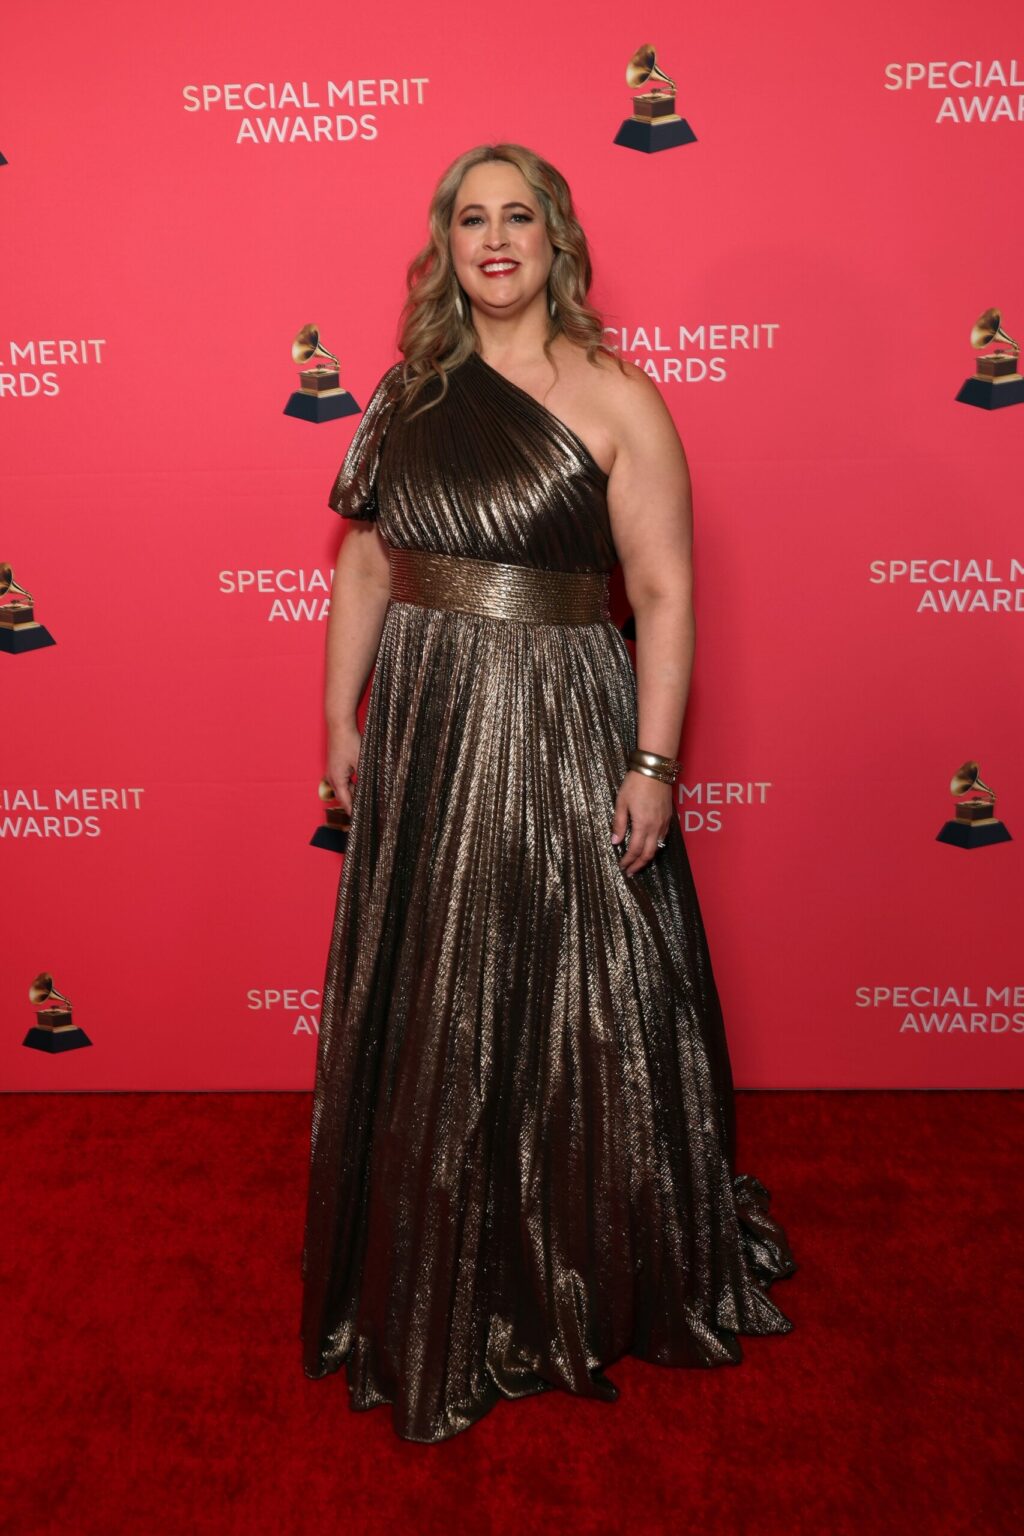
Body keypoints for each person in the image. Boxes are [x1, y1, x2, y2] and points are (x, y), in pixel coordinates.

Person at [300, 142, 797, 1445]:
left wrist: (653, 761)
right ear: (448, 244)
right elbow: (363, 567)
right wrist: (335, 715)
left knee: (587, 989)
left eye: (520, 216)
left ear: (557, 240)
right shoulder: (411, 394)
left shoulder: (622, 398)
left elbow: (669, 591)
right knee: (438, 988)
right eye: (474, 218)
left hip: (567, 715)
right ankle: (440, 1257)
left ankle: (583, 1258)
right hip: (423, 716)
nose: (497, 239)